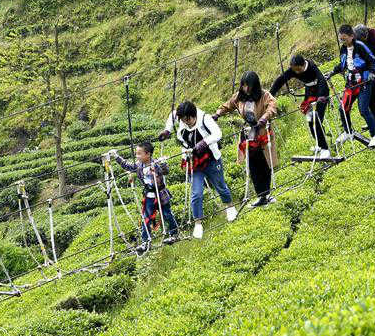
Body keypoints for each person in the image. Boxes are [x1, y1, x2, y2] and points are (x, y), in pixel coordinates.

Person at [159, 100, 236, 239]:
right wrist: (167, 130)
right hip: (194, 161)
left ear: (193, 114)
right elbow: (172, 115)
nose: (186, 122)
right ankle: (198, 223)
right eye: (183, 120)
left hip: (211, 158)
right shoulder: (182, 119)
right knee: (196, 193)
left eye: (188, 119)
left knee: (220, 185)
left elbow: (218, 133)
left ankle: (230, 207)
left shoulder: (204, 118)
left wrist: (204, 142)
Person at [213, 72, 278, 208]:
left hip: (262, 132)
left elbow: (272, 107)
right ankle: (261, 196)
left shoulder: (264, 95)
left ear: (254, 85)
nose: (245, 88)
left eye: (248, 86)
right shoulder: (239, 97)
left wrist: (263, 119)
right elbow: (227, 106)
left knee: (265, 163)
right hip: (249, 134)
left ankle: (267, 193)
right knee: (253, 165)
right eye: (243, 85)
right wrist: (217, 114)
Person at [110, 142, 178, 254]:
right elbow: (127, 165)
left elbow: (165, 171)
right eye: (136, 154)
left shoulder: (155, 164)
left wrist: (163, 164)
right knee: (146, 219)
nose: (137, 156)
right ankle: (146, 241)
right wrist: (116, 157)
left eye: (139, 154)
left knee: (167, 214)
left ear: (148, 154)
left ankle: (174, 234)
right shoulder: (139, 165)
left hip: (160, 194)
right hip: (149, 196)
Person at [329, 24, 375, 147]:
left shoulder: (360, 46)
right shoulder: (343, 49)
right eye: (341, 39)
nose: (343, 41)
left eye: (345, 38)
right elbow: (344, 64)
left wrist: (372, 73)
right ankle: (348, 131)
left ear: (352, 36)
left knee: (363, 110)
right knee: (343, 108)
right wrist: (333, 71)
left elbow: (373, 61)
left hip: (363, 82)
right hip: (350, 83)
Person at [270, 55, 331, 159]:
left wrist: (321, 97)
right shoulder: (293, 69)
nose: (297, 72)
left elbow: (321, 80)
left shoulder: (311, 66)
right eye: (295, 70)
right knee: (310, 120)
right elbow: (280, 80)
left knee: (317, 119)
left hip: (321, 92)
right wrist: (270, 95)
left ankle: (325, 149)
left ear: (303, 65)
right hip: (310, 92)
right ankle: (319, 144)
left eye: (298, 69)